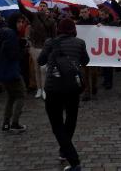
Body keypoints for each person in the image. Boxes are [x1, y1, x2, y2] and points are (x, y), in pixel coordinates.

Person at [38, 18, 89, 171]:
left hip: (54, 87)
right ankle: (64, 150)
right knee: (71, 119)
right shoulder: (79, 42)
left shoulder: (49, 42)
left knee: (57, 124)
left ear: (58, 28)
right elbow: (85, 61)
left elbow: (41, 61)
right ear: (73, 29)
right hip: (73, 87)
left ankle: (73, 160)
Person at [0, 12, 28, 132]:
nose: (21, 24)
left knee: (11, 97)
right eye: (19, 22)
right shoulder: (11, 35)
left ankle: (6, 123)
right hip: (11, 71)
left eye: (22, 22)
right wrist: (22, 48)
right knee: (21, 95)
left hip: (3, 71)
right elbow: (14, 56)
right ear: (13, 22)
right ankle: (15, 123)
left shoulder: (5, 34)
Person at [18, 0, 56, 100]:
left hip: (45, 48)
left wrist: (52, 48)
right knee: (36, 69)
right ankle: (39, 88)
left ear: (47, 8)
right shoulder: (33, 17)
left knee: (43, 69)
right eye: (41, 6)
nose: (42, 7)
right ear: (38, 8)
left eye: (44, 6)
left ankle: (44, 89)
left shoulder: (51, 21)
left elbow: (54, 36)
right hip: (35, 47)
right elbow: (23, 10)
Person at [76, 6, 99, 101]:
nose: (84, 14)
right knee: (84, 73)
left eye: (85, 12)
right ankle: (86, 91)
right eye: (82, 12)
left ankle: (94, 86)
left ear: (89, 12)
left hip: (94, 50)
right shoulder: (78, 23)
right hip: (83, 50)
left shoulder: (95, 21)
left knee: (94, 72)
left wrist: (100, 27)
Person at [96, 6, 121, 90]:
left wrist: (103, 26)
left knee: (109, 66)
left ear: (107, 14)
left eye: (102, 14)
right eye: (100, 15)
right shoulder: (101, 21)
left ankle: (109, 82)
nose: (101, 16)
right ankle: (106, 80)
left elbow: (114, 28)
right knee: (104, 64)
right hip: (103, 45)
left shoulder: (113, 22)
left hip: (110, 46)